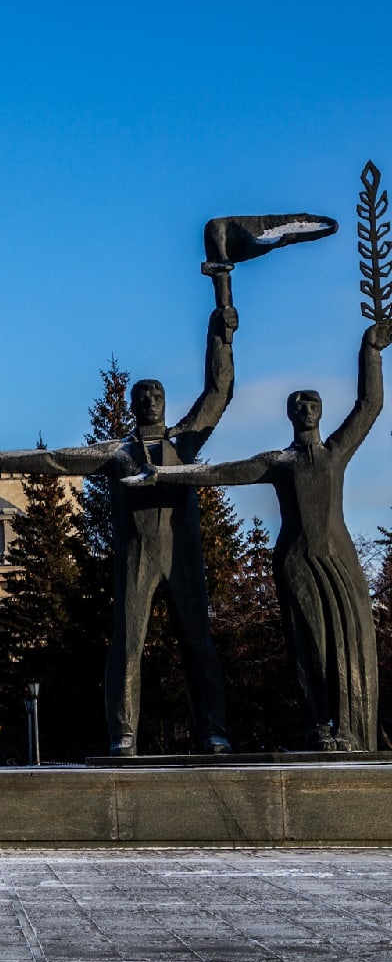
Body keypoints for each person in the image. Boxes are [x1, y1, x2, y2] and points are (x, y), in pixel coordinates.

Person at [0, 301, 239, 755]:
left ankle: (213, 731)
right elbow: (54, 459)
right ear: (131, 404)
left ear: (164, 403)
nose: (148, 400)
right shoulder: (118, 452)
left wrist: (220, 336)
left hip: (183, 555)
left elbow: (219, 392)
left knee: (198, 642)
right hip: (136, 558)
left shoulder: (185, 441)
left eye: (156, 394)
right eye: (141, 395)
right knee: (127, 644)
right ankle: (123, 735)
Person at [129, 320, 390, 751]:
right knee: (308, 643)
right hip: (296, 559)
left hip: (339, 559)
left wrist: (372, 351)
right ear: (290, 413)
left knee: (350, 639)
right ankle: (318, 726)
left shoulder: (335, 452)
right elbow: (219, 472)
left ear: (321, 411)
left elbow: (369, 405)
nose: (305, 408)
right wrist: (165, 472)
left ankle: (352, 729)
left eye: (312, 402)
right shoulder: (278, 461)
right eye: (298, 403)